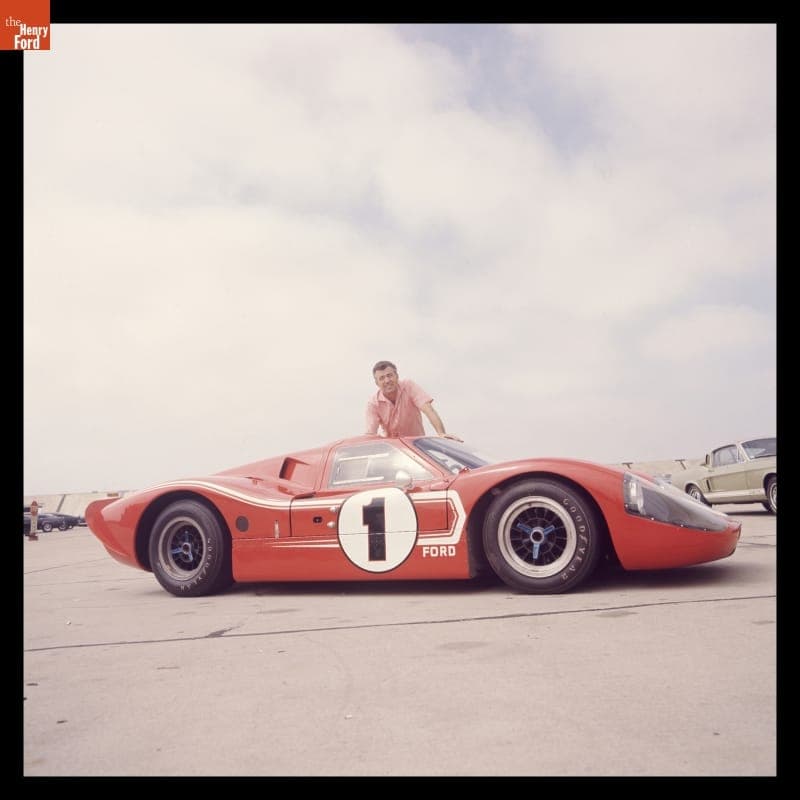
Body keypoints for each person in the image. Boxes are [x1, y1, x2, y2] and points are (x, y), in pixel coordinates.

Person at [365, 360, 460, 439]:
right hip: (394, 449)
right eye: (382, 378)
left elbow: (428, 410)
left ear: (397, 376)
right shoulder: (373, 403)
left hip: (417, 446)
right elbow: (370, 435)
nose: (387, 380)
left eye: (389, 375)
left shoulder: (409, 386)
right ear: (377, 383)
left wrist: (441, 434)